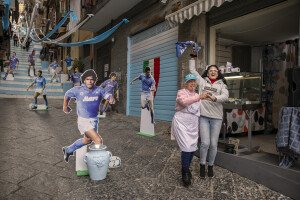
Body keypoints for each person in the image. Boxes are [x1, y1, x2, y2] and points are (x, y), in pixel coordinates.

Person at [62, 69, 115, 163]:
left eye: (91, 79)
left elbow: (107, 95)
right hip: (83, 120)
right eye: (87, 79)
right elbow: (67, 95)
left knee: (87, 141)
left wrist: (111, 99)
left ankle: (68, 150)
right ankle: (99, 164)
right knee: (98, 140)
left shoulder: (99, 90)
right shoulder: (78, 90)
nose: (90, 81)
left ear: (94, 80)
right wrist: (65, 106)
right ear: (84, 80)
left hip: (94, 120)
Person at [189, 60, 229, 179]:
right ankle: (202, 164)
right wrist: (192, 57)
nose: (212, 72)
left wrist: (214, 98)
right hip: (204, 116)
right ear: (207, 73)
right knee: (205, 143)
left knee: (213, 144)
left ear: (218, 73)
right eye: (210, 70)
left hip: (216, 118)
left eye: (215, 71)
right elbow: (192, 70)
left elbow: (225, 96)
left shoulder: (222, 85)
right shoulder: (202, 82)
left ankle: (210, 165)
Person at [171, 74, 210, 186]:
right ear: (186, 84)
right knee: (186, 147)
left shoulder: (198, 95)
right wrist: (200, 97)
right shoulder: (181, 92)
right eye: (190, 82)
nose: (193, 83)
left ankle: (186, 168)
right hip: (182, 123)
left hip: (193, 124)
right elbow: (183, 102)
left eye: (194, 82)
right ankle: (184, 171)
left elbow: (199, 109)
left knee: (192, 148)